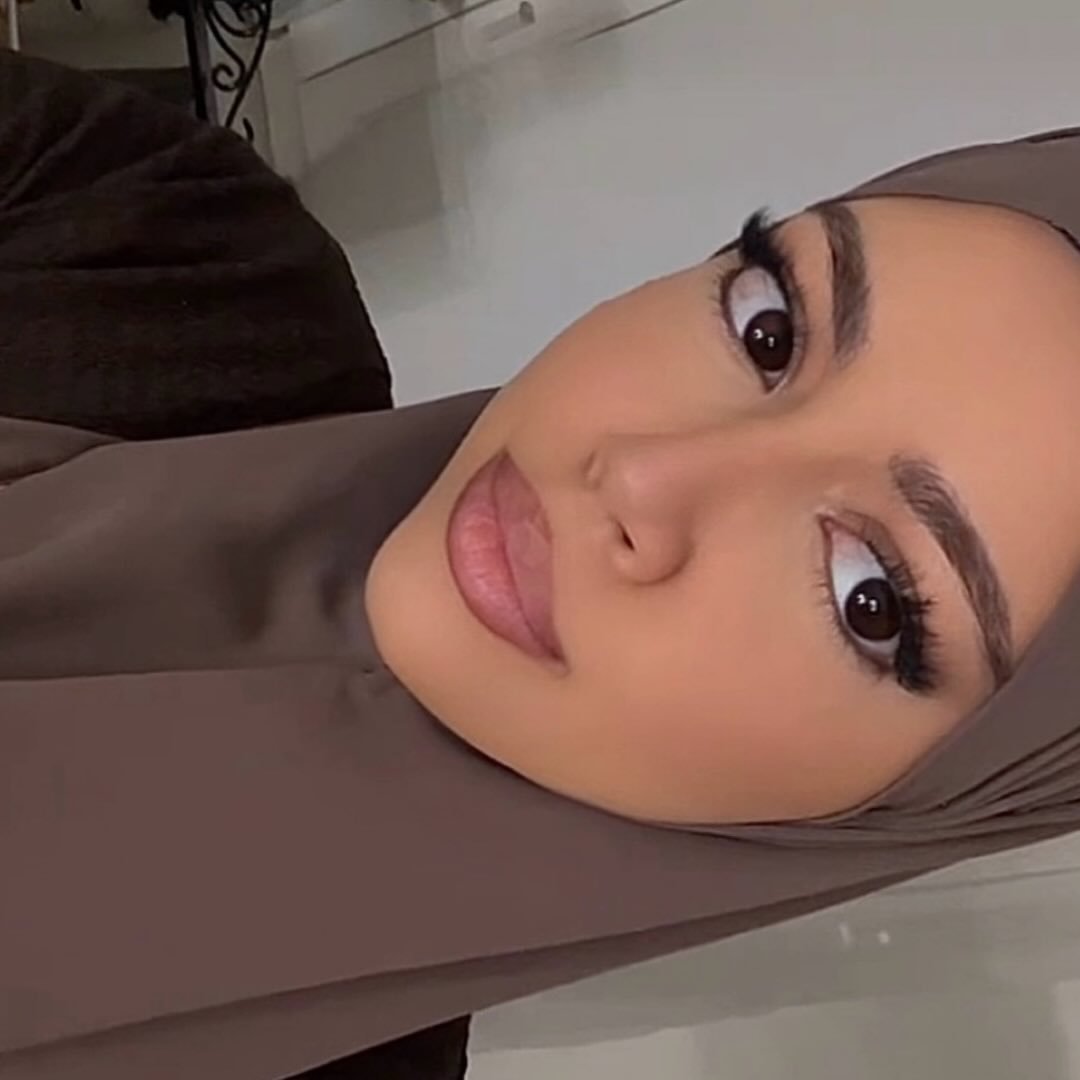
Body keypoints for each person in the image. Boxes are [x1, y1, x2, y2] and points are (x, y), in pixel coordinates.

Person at [5, 45, 1080, 1080]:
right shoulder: (157, 245)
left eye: (871, 600)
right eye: (771, 327)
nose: (642, 478)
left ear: (936, 802)